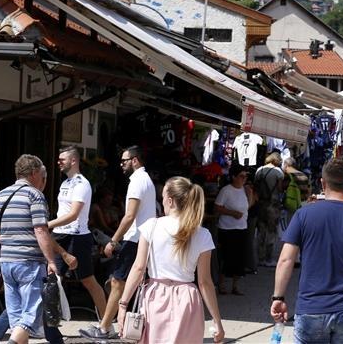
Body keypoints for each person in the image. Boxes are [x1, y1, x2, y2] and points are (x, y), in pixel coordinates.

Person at [270, 158, 343, 344]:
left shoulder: (304, 215)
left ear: (323, 183)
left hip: (311, 308)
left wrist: (278, 297)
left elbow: (285, 260)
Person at [117, 177, 225, 343]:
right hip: (187, 298)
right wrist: (217, 321)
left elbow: (139, 268)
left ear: (170, 201)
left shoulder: (151, 226)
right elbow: (205, 282)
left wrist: (123, 304)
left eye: (162, 198)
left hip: (156, 296)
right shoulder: (202, 234)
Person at [83, 146, 157, 339]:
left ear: (135, 160)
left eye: (124, 161)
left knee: (118, 282)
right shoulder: (145, 180)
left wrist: (113, 241)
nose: (121, 165)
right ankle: (107, 325)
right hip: (141, 238)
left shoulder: (138, 181)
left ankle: (105, 328)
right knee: (123, 283)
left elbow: (129, 215)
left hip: (134, 239)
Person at [0, 155, 58, 344]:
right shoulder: (34, 195)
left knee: (16, 317)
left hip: (7, 262)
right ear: (34, 173)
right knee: (29, 316)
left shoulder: (1, 194)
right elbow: (41, 230)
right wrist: (51, 261)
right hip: (29, 262)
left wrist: (10, 243)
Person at [48, 147, 107, 320]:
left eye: (62, 159)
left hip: (78, 236)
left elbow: (73, 214)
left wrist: (47, 224)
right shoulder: (65, 183)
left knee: (88, 280)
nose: (58, 162)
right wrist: (52, 227)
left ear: (73, 161)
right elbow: (62, 212)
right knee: (52, 278)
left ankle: (106, 323)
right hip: (59, 235)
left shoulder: (82, 183)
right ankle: (48, 324)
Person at [214, 165, 254, 295]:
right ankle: (222, 284)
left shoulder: (244, 190)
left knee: (239, 258)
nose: (244, 179)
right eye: (241, 176)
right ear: (233, 177)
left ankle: (235, 285)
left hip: (241, 228)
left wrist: (250, 194)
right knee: (226, 257)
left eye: (245, 176)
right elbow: (217, 207)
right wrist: (231, 213)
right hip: (227, 229)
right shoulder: (226, 190)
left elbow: (247, 207)